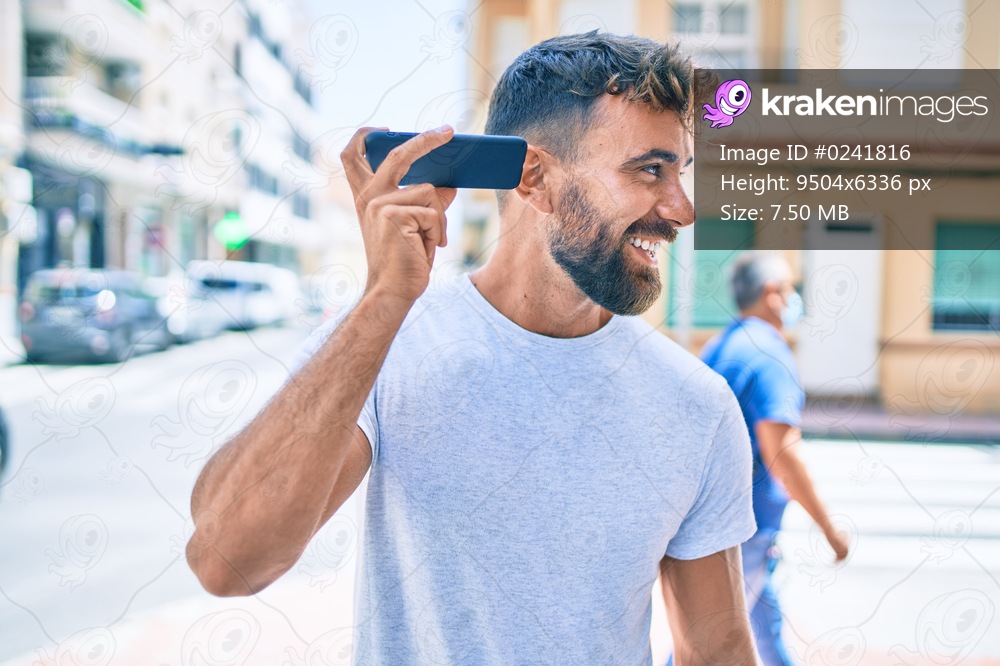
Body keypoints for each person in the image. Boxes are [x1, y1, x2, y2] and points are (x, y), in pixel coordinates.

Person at [186, 32, 761, 664]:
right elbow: (227, 560)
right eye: (650, 170)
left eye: (680, 171)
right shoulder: (389, 344)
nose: (682, 207)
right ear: (535, 179)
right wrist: (384, 298)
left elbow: (718, 647)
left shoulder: (695, 404)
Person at [698, 253, 851, 666]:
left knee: (764, 630)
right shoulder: (770, 355)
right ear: (772, 295)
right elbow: (782, 453)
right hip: (746, 527)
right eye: (790, 288)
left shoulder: (721, 345)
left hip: (717, 522)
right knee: (709, 648)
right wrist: (830, 528)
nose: (795, 297)